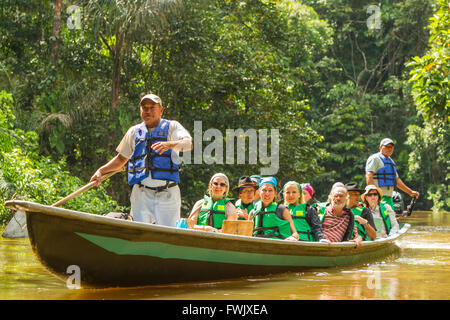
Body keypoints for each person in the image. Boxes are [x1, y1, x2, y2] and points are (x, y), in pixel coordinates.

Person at [90, 94, 192, 226]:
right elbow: (121, 159)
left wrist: (169, 144)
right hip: (141, 193)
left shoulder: (172, 127)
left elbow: (188, 144)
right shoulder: (134, 131)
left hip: (168, 193)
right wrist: (100, 171)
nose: (148, 111)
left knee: (169, 234)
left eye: (152, 107)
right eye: (144, 108)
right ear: (141, 111)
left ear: (161, 110)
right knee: (139, 234)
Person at [366, 138, 419, 210]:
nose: (389, 149)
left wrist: (410, 192)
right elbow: (369, 175)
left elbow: (397, 181)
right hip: (378, 196)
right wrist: (372, 194)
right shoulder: (375, 158)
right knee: (380, 219)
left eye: (391, 147)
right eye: (386, 146)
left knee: (390, 219)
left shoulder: (391, 162)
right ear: (380, 147)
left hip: (389, 197)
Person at [251, 177, 299, 241]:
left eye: (270, 190)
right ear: (259, 192)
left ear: (275, 193)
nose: (267, 193)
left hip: (277, 246)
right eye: (264, 190)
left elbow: (295, 234)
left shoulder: (282, 210)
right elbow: (248, 234)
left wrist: (292, 238)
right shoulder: (253, 212)